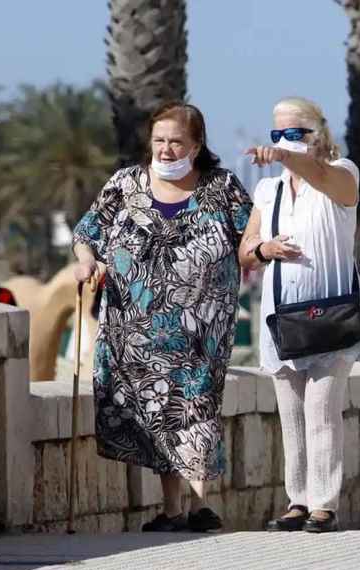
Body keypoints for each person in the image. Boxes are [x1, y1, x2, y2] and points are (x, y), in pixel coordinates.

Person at [72, 102, 253, 532]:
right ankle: (174, 509)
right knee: (158, 415)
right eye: (159, 141)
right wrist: (86, 263)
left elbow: (252, 234)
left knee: (196, 409)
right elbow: (87, 234)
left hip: (201, 331)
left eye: (176, 142)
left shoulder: (221, 186)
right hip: (136, 331)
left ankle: (198, 506)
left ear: (197, 145)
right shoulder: (125, 185)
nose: (167, 150)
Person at [239, 97, 360, 533]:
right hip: (284, 319)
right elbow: (246, 250)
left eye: (295, 133)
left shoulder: (343, 174)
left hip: (334, 315)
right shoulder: (269, 190)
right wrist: (266, 249)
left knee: (321, 409)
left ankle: (324, 503)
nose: (284, 142)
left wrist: (285, 156)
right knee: (292, 416)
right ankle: (296, 501)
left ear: (318, 132)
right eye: (277, 134)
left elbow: (320, 174)